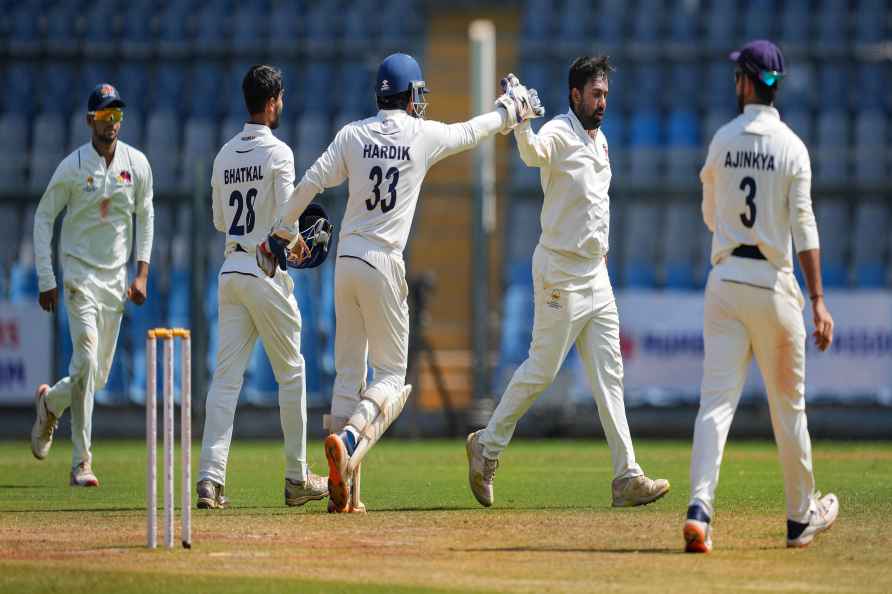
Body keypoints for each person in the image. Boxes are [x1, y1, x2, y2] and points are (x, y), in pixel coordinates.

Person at [259, 53, 540, 512]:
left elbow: (310, 181)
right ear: (410, 96)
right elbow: (471, 131)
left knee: (349, 374)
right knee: (391, 376)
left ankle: (345, 494)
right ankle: (349, 442)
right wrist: (510, 110)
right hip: (383, 261)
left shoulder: (352, 135)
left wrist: (280, 231)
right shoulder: (420, 135)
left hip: (346, 262)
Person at [466, 57, 670, 509]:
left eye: (606, 96)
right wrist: (520, 120)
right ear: (575, 94)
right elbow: (531, 153)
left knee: (609, 378)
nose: (602, 103)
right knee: (542, 369)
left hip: (596, 274)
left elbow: (596, 206)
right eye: (595, 95)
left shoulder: (601, 141)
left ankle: (626, 476)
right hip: (559, 271)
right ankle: (487, 445)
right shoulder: (559, 131)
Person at [683, 40, 839, 553]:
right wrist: (817, 299)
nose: (734, 83)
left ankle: (700, 512)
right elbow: (806, 227)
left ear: (749, 81)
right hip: (775, 286)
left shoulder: (723, 140)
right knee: (789, 411)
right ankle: (800, 519)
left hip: (726, 282)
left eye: (738, 76)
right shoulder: (793, 147)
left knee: (715, 406)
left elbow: (710, 216)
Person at [196, 65, 327, 509]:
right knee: (292, 373)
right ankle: (296, 477)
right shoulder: (280, 153)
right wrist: (299, 245)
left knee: (226, 380)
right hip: (264, 268)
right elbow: (287, 217)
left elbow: (218, 220)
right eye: (281, 99)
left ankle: (210, 479)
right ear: (272, 103)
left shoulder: (224, 154)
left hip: (231, 270)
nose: (282, 106)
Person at [30, 83, 154, 487]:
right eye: (104, 116)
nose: (112, 123)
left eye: (117, 116)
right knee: (83, 361)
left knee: (94, 378)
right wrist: (47, 278)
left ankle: (50, 404)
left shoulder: (136, 164)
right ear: (90, 121)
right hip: (79, 276)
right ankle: (81, 462)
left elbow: (146, 218)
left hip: (115, 281)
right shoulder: (72, 166)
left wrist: (141, 274)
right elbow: (44, 217)